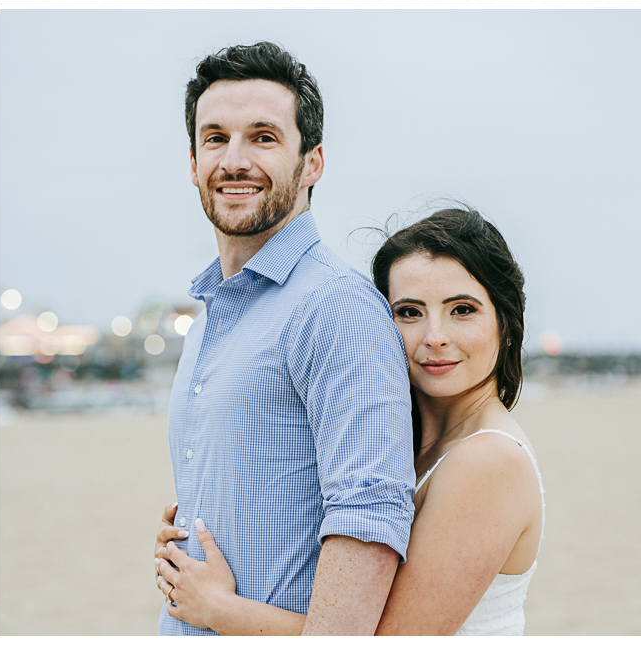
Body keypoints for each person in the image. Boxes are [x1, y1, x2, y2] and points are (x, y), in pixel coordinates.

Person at [155, 206, 544, 636]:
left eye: (462, 310)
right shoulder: (412, 445)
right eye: (410, 312)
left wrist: (218, 609)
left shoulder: (489, 460)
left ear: (505, 322)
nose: (435, 336)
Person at [153, 42, 415, 636]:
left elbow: (367, 527)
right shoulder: (211, 315)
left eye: (264, 137)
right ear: (193, 163)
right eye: (215, 138)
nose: (234, 160)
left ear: (313, 163)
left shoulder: (335, 308)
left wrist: (221, 611)